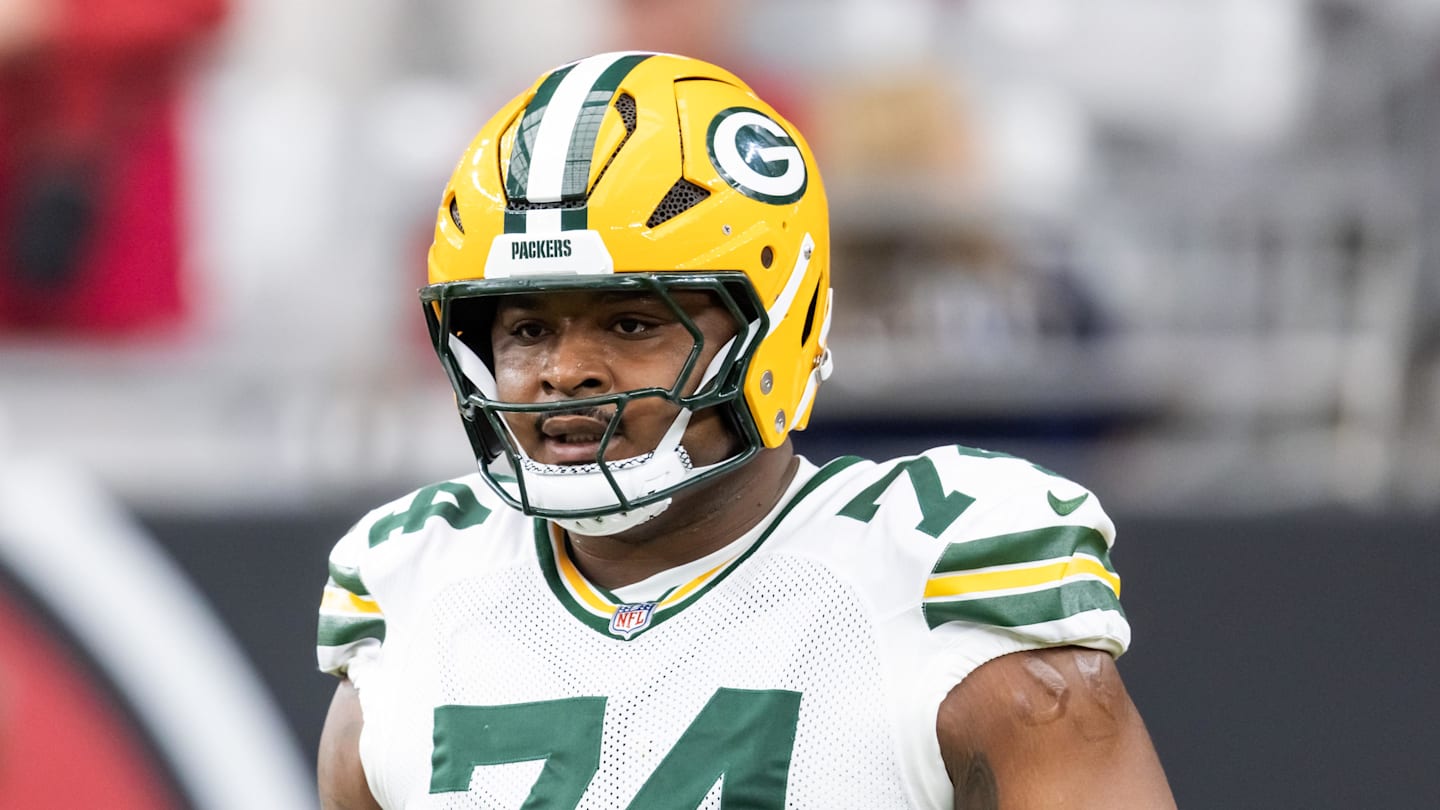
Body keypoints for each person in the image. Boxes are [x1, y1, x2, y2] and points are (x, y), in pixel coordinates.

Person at [315, 51, 1175, 809]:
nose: (564, 370)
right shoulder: (411, 589)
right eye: (528, 328)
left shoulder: (932, 581)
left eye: (631, 323)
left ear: (774, 328)